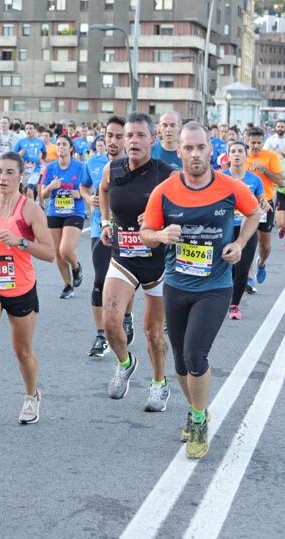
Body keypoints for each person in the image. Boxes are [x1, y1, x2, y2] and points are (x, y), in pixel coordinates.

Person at [140, 122, 260, 458]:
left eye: (201, 147)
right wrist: (161, 236)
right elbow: (147, 231)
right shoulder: (164, 191)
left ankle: (196, 420)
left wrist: (239, 242)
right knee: (179, 361)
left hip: (215, 286)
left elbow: (254, 213)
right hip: (176, 284)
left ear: (211, 149)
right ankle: (199, 409)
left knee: (195, 355)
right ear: (179, 151)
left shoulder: (230, 186)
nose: (195, 154)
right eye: (188, 148)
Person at [0, 151, 55, 427]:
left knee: (22, 351)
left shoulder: (29, 210)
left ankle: (31, 395)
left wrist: (20, 242)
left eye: (9, 173)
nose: (3, 178)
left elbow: (50, 253)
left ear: (20, 176)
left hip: (20, 288)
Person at [98, 113, 176, 411]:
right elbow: (103, 191)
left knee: (154, 334)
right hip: (124, 257)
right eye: (128, 135)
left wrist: (161, 218)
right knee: (110, 323)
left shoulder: (165, 173)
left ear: (152, 140)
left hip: (157, 263)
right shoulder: (112, 169)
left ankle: (159, 384)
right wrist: (106, 221)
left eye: (140, 135)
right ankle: (125, 362)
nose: (132, 141)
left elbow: (185, 206)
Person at [80, 115, 126, 357]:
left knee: (127, 282)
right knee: (100, 280)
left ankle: (126, 317)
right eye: (110, 135)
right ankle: (101, 336)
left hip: (129, 234)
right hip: (101, 230)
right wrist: (89, 198)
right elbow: (84, 186)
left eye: (119, 136)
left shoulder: (135, 163)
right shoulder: (93, 163)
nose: (113, 141)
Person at [40, 134, 86, 299]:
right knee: (58, 253)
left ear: (71, 148)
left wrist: (79, 193)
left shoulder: (80, 167)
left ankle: (76, 267)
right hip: (55, 212)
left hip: (75, 212)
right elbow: (43, 195)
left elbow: (89, 190)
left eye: (64, 144)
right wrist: (51, 187)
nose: (60, 147)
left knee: (65, 249)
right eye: (58, 144)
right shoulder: (50, 168)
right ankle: (68, 285)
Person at [222, 142, 264, 319]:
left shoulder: (254, 180)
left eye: (240, 151)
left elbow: (261, 199)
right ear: (228, 156)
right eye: (233, 151)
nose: (237, 154)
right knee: (225, 266)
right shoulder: (220, 177)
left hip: (246, 229)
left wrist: (264, 202)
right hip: (225, 228)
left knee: (243, 266)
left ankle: (234, 305)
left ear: (246, 156)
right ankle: (220, 300)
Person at [245, 127, 284, 289]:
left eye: (259, 143)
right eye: (252, 143)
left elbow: (280, 181)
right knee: (247, 243)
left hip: (265, 205)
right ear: (247, 142)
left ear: (263, 142)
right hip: (244, 206)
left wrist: (263, 169)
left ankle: (261, 263)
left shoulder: (271, 157)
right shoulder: (241, 156)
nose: (255, 146)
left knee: (264, 245)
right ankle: (247, 278)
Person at [13, 122, 46, 200]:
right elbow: (13, 155)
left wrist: (42, 159)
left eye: (31, 128)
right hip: (24, 170)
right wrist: (19, 154)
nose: (28, 131)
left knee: (30, 190)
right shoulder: (21, 142)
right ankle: (24, 207)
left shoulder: (40, 141)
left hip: (35, 170)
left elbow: (44, 152)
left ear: (35, 130)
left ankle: (32, 209)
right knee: (23, 191)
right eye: (27, 129)